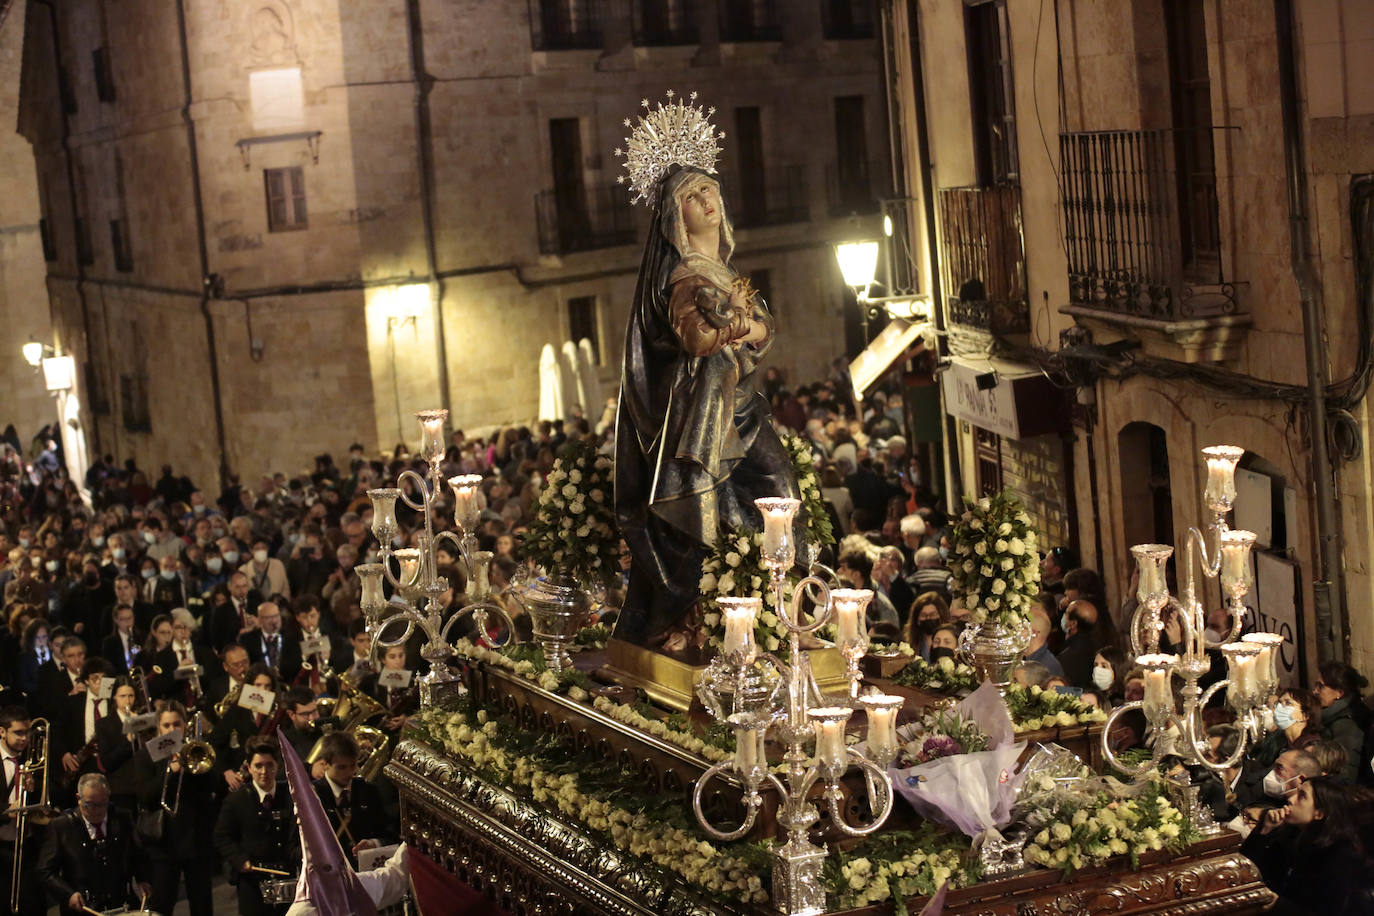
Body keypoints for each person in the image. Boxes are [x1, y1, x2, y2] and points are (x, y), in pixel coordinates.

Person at [614, 162, 797, 649]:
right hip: (701, 415)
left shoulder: (721, 271)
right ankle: (701, 617)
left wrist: (740, 327)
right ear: (678, 217)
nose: (706, 201)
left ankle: (777, 606)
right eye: (692, 197)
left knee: (779, 488)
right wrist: (742, 325)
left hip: (739, 403)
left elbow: (765, 331)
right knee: (716, 512)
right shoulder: (686, 277)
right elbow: (697, 340)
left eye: (709, 189)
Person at [1240, 777, 1374, 914]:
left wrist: (1279, 904)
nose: (1291, 799)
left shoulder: (1340, 856)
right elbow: (1243, 872)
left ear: (1319, 813)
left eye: (1301, 796)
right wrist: (1264, 831)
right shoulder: (1290, 834)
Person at [134, 701, 218, 916]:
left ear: (184, 725)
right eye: (166, 725)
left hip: (195, 840)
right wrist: (171, 771)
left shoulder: (195, 750)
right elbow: (145, 797)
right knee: (162, 904)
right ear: (158, 727)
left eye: (176, 724)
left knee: (202, 905)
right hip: (163, 844)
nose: (172, 730)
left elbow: (211, 787)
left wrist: (192, 763)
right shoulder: (146, 755)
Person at [37, 772, 151, 915]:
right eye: (90, 805)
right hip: (83, 909)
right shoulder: (62, 826)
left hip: (122, 906)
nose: (97, 811)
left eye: (102, 804)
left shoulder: (122, 818)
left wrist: (142, 879)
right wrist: (68, 894)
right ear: (79, 799)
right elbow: (45, 871)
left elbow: (138, 855)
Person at [214, 737, 299, 916]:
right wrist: (239, 860)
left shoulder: (291, 797)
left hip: (288, 877)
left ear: (277, 766)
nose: (264, 772)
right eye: (258, 766)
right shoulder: (236, 800)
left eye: (269, 765)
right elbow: (222, 837)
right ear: (249, 767)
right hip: (252, 881)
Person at [312, 731, 395, 869]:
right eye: (341, 767)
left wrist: (373, 843)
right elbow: (294, 848)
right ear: (325, 764)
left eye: (352, 765)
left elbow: (390, 836)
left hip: (366, 872)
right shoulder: (312, 796)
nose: (349, 773)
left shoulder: (368, 791)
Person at [0, 706, 45, 916]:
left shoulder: (31, 759)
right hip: (2, 844)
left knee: (31, 903)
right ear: (2, 732)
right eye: (18, 733)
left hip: (26, 842)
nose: (24, 738)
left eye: (27, 732)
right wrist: (6, 811)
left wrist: (33, 790)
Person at [1315, 661, 1369, 784]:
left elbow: (1345, 773)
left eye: (1320, 686)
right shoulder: (1330, 717)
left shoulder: (1347, 725)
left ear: (1339, 692)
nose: (1315, 691)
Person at [1022, 597, 1065, 678]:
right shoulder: (1027, 659)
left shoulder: (1046, 667)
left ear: (1034, 633)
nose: (1017, 632)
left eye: (1022, 627)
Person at [903, 591, 948, 661]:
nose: (928, 618)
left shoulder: (951, 642)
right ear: (917, 620)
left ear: (941, 616)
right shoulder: (909, 645)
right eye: (923, 615)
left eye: (932, 614)